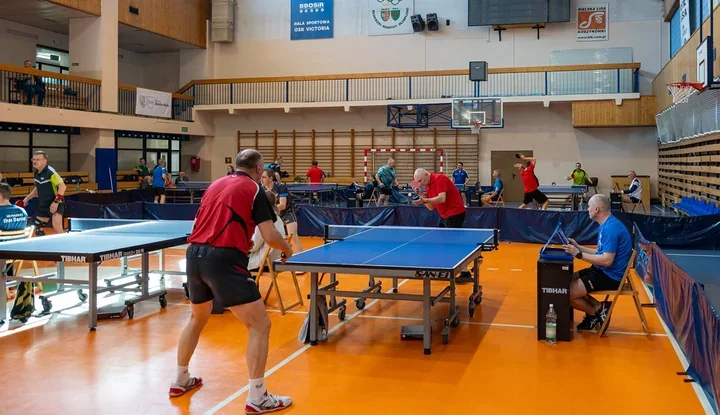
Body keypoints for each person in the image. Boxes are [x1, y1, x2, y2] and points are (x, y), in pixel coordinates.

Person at [172, 149, 293, 414]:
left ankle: (180, 379)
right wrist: (287, 248)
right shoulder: (255, 189)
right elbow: (270, 234)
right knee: (260, 324)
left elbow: (201, 223)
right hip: (223, 259)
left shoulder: (215, 185)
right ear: (259, 169)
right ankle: (258, 397)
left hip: (194, 254)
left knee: (197, 318)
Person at [562, 194, 633, 331]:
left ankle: (594, 314)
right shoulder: (606, 225)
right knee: (566, 281)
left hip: (610, 276)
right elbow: (600, 254)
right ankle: (600, 307)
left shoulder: (611, 229)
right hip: (601, 270)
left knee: (565, 292)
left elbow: (607, 261)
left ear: (596, 209)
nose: (587, 209)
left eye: (589, 207)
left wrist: (579, 255)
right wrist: (578, 247)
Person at [261, 168, 304, 273]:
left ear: (270, 178)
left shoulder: (280, 187)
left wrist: (269, 210)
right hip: (274, 214)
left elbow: (283, 205)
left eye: (264, 177)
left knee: (293, 236)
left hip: (287, 212)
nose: (261, 179)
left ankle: (301, 265)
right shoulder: (262, 189)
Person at [18, 150, 66, 235]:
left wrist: (56, 202)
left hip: (55, 202)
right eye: (33, 159)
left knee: (57, 227)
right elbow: (37, 188)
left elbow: (62, 186)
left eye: (38, 159)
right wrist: (27, 198)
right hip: (44, 203)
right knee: (37, 229)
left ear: (45, 161)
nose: (35, 161)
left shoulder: (51, 172)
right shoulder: (37, 173)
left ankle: (65, 243)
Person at [248, 191, 287, 272]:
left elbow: (254, 246)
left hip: (265, 263)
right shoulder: (278, 218)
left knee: (235, 261)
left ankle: (250, 280)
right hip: (277, 259)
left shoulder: (263, 222)